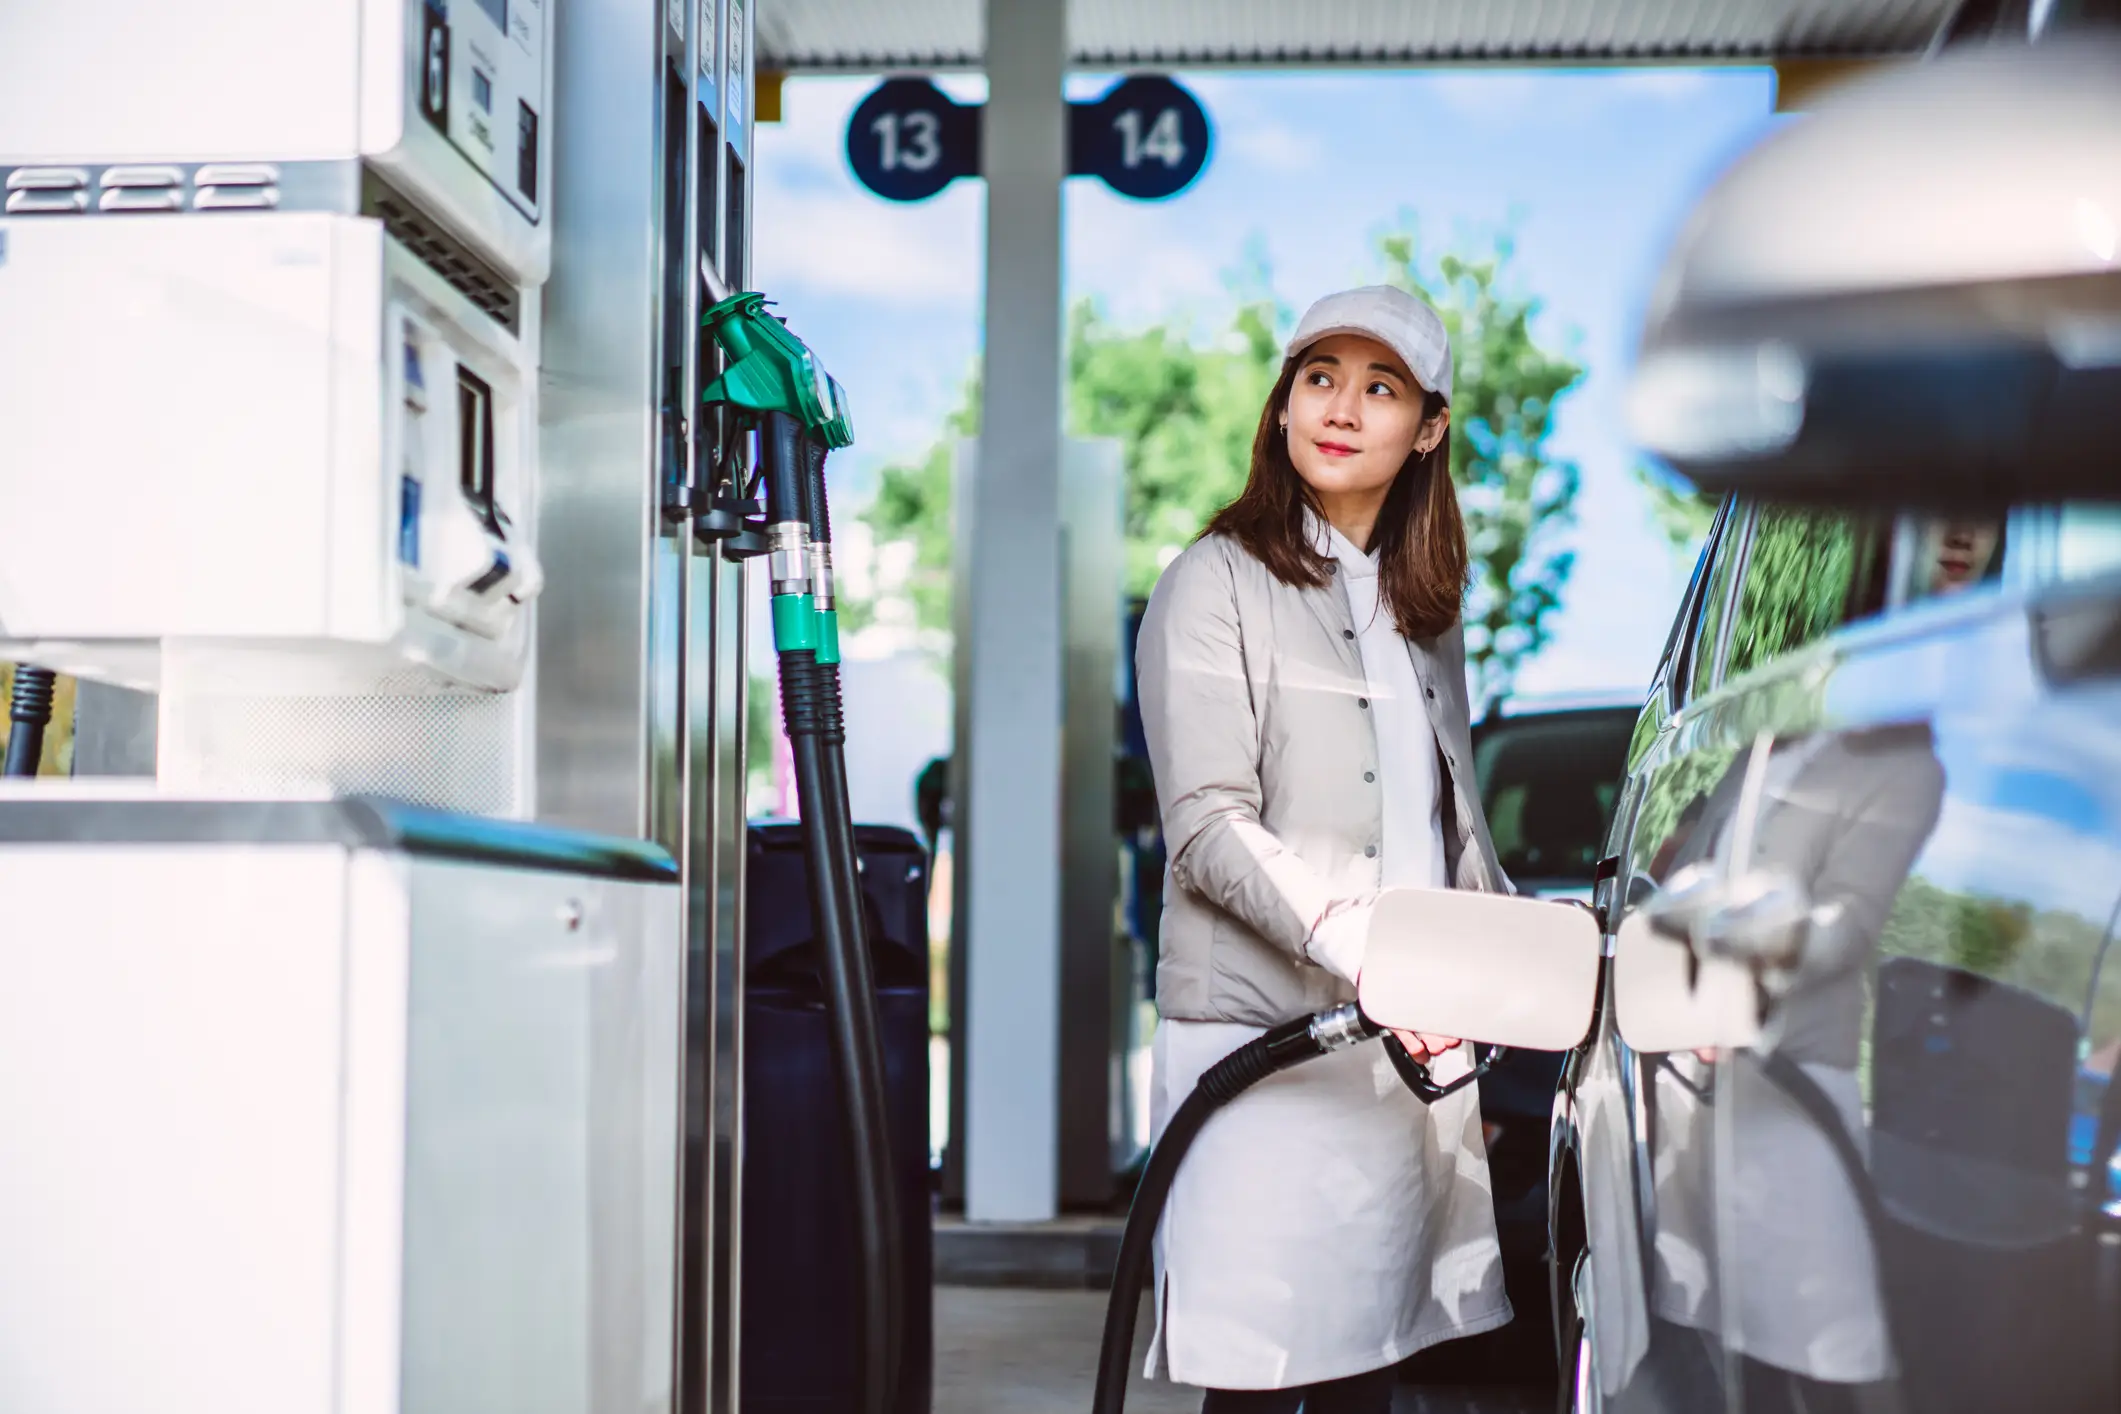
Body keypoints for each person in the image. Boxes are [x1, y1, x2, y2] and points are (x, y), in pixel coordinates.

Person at [1134, 285, 1517, 1413]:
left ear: (1429, 428)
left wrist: (1523, 977)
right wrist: (1363, 951)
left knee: (1366, 1375)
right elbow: (1205, 823)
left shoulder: (1425, 607)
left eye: (1380, 386)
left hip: (1401, 1061)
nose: (1341, 408)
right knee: (1255, 1378)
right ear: (1284, 403)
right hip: (1260, 1051)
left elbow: (1450, 827)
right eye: (1320, 378)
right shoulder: (1213, 581)